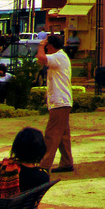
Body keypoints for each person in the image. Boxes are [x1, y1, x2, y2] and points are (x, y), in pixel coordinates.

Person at [35, 33, 74, 174]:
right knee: (63, 135)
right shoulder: (61, 56)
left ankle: (44, 165)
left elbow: (40, 58)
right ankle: (66, 162)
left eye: (46, 47)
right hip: (61, 101)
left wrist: (40, 45)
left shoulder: (58, 57)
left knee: (51, 134)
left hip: (60, 102)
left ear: (50, 46)